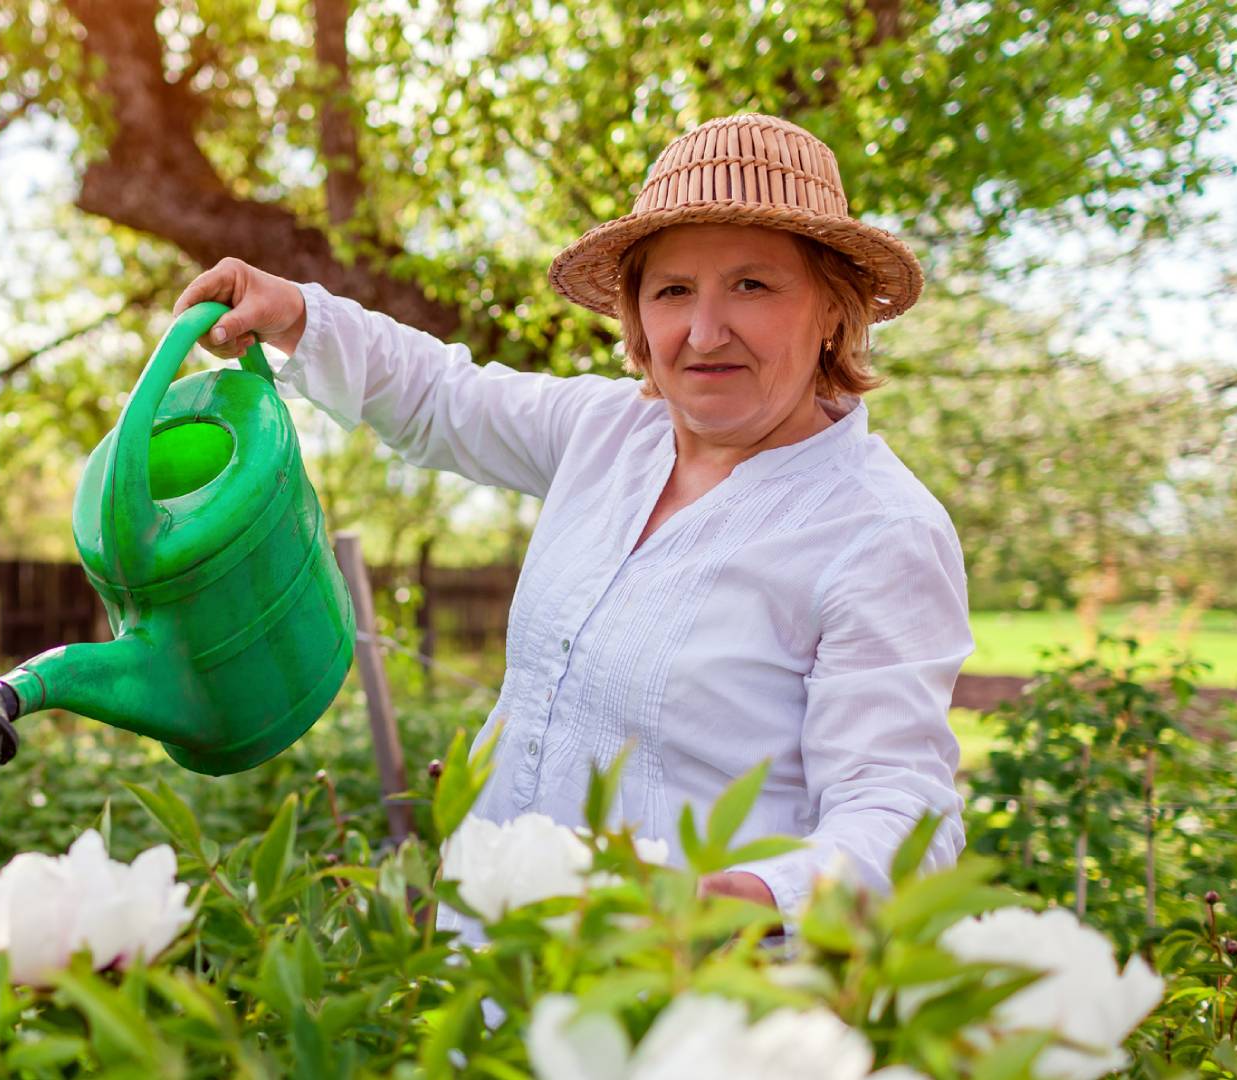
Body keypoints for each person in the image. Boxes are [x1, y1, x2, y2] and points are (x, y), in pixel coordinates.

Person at [172, 112, 971, 937]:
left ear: (834, 311)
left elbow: (901, 810)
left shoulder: (879, 531)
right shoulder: (611, 432)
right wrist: (299, 312)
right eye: (672, 292)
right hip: (485, 952)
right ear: (637, 316)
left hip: (678, 995)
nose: (703, 332)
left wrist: (756, 898)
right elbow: (445, 397)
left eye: (753, 285)